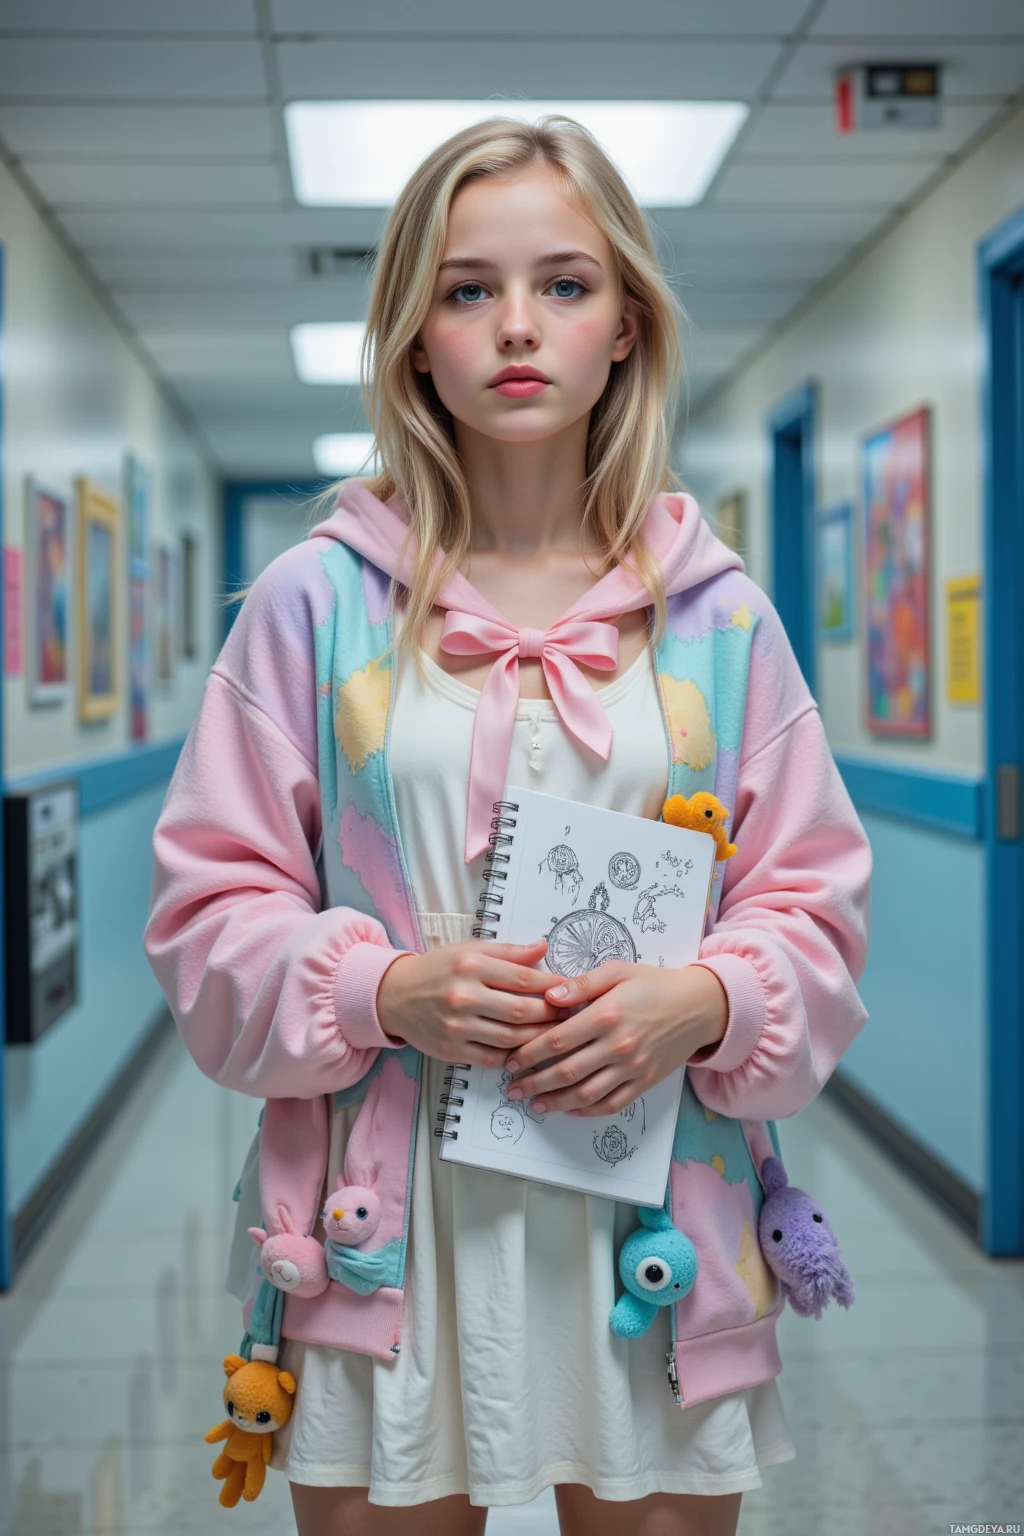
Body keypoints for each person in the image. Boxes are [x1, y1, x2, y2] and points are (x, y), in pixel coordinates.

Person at [144, 116, 871, 1536]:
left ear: (626, 325)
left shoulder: (718, 620)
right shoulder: (318, 605)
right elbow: (205, 910)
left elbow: (815, 905)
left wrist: (708, 1000)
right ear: (417, 338)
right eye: (468, 288)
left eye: (565, 284)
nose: (517, 326)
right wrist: (377, 987)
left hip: (651, 1212)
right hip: (386, 1218)